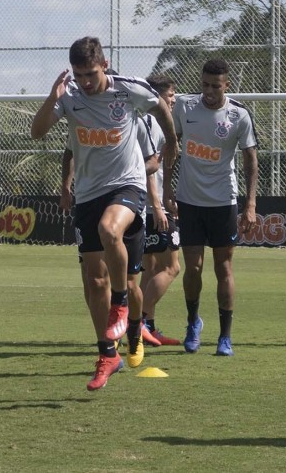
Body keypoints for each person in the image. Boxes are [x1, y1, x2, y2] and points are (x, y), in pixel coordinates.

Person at [31, 37, 177, 391]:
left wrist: (172, 145)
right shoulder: (70, 98)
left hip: (127, 186)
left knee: (111, 235)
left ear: (105, 64)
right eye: (79, 75)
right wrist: (53, 97)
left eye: (91, 74)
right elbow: (37, 133)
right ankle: (107, 353)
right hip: (88, 194)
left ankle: (125, 308)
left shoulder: (128, 90)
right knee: (94, 280)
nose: (85, 82)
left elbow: (161, 109)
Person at [166, 58, 257, 357]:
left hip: (222, 202)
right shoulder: (184, 107)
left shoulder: (239, 115)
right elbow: (171, 146)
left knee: (224, 268)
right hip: (189, 201)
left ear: (226, 85)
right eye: (204, 84)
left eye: (215, 86)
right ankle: (193, 322)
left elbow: (250, 160)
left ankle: (225, 336)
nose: (208, 91)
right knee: (193, 268)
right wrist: (167, 189)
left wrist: (251, 203)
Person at [59, 112, 160, 369]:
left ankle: (135, 333)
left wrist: (123, 170)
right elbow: (69, 152)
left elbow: (154, 162)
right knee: (93, 279)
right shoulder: (83, 115)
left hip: (125, 205)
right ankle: (109, 344)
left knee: (128, 282)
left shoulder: (135, 119)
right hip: (90, 202)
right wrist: (66, 185)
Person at [139, 75, 182, 347]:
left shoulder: (146, 120)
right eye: (169, 94)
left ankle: (148, 328)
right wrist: (157, 206)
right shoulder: (153, 122)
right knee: (172, 266)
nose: (173, 99)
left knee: (151, 267)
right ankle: (136, 321)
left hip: (147, 205)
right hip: (149, 208)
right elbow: (148, 169)